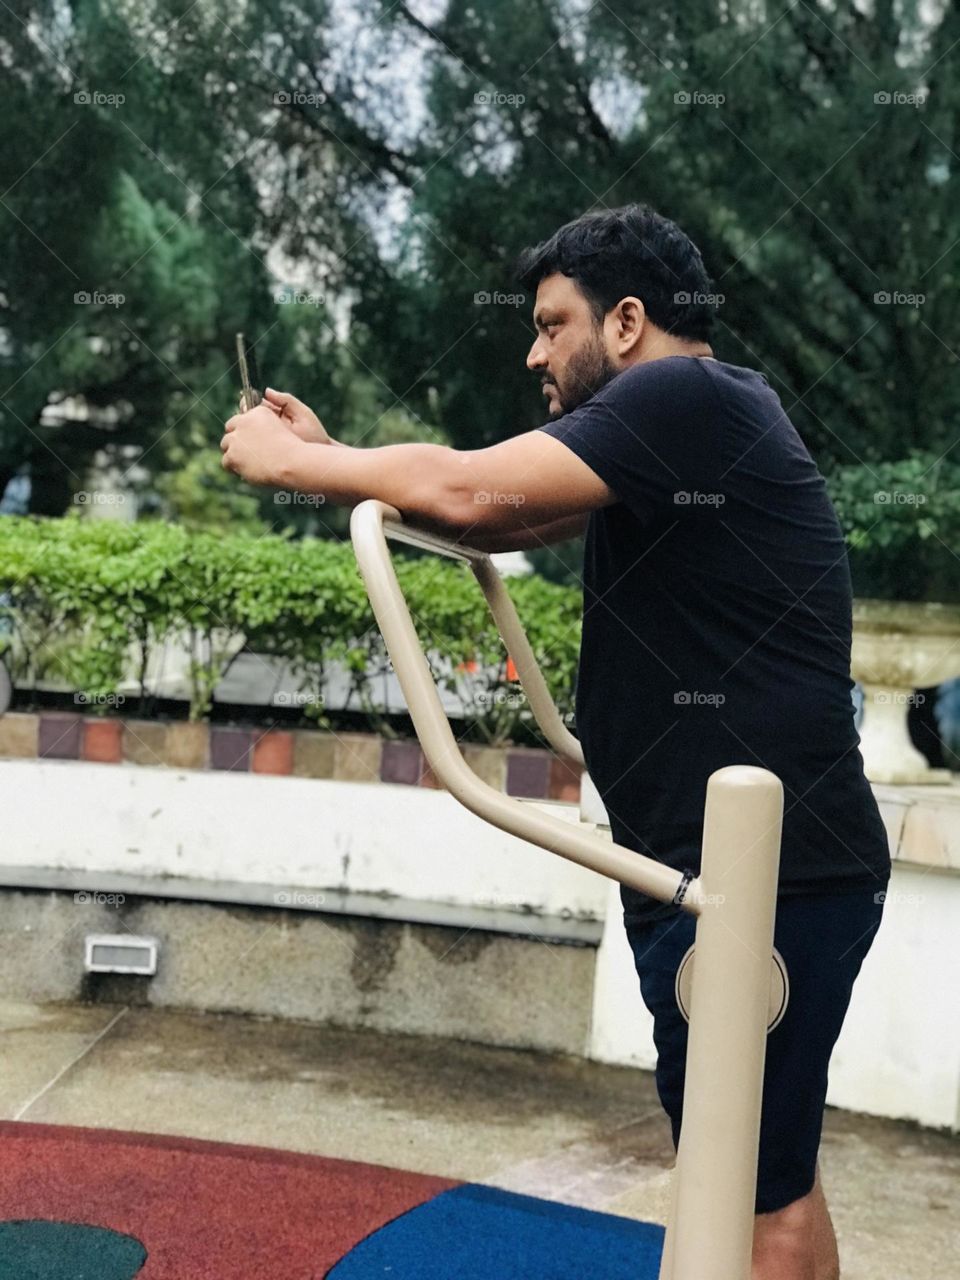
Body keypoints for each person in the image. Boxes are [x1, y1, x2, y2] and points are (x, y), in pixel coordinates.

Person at [221, 202, 891, 1280]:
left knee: (743, 1197)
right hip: (738, 863)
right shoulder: (685, 435)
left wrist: (292, 467)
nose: (534, 354)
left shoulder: (686, 395)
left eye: (551, 324)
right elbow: (488, 514)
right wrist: (333, 453)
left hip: (769, 871)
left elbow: (466, 484)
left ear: (626, 322)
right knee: (769, 1175)